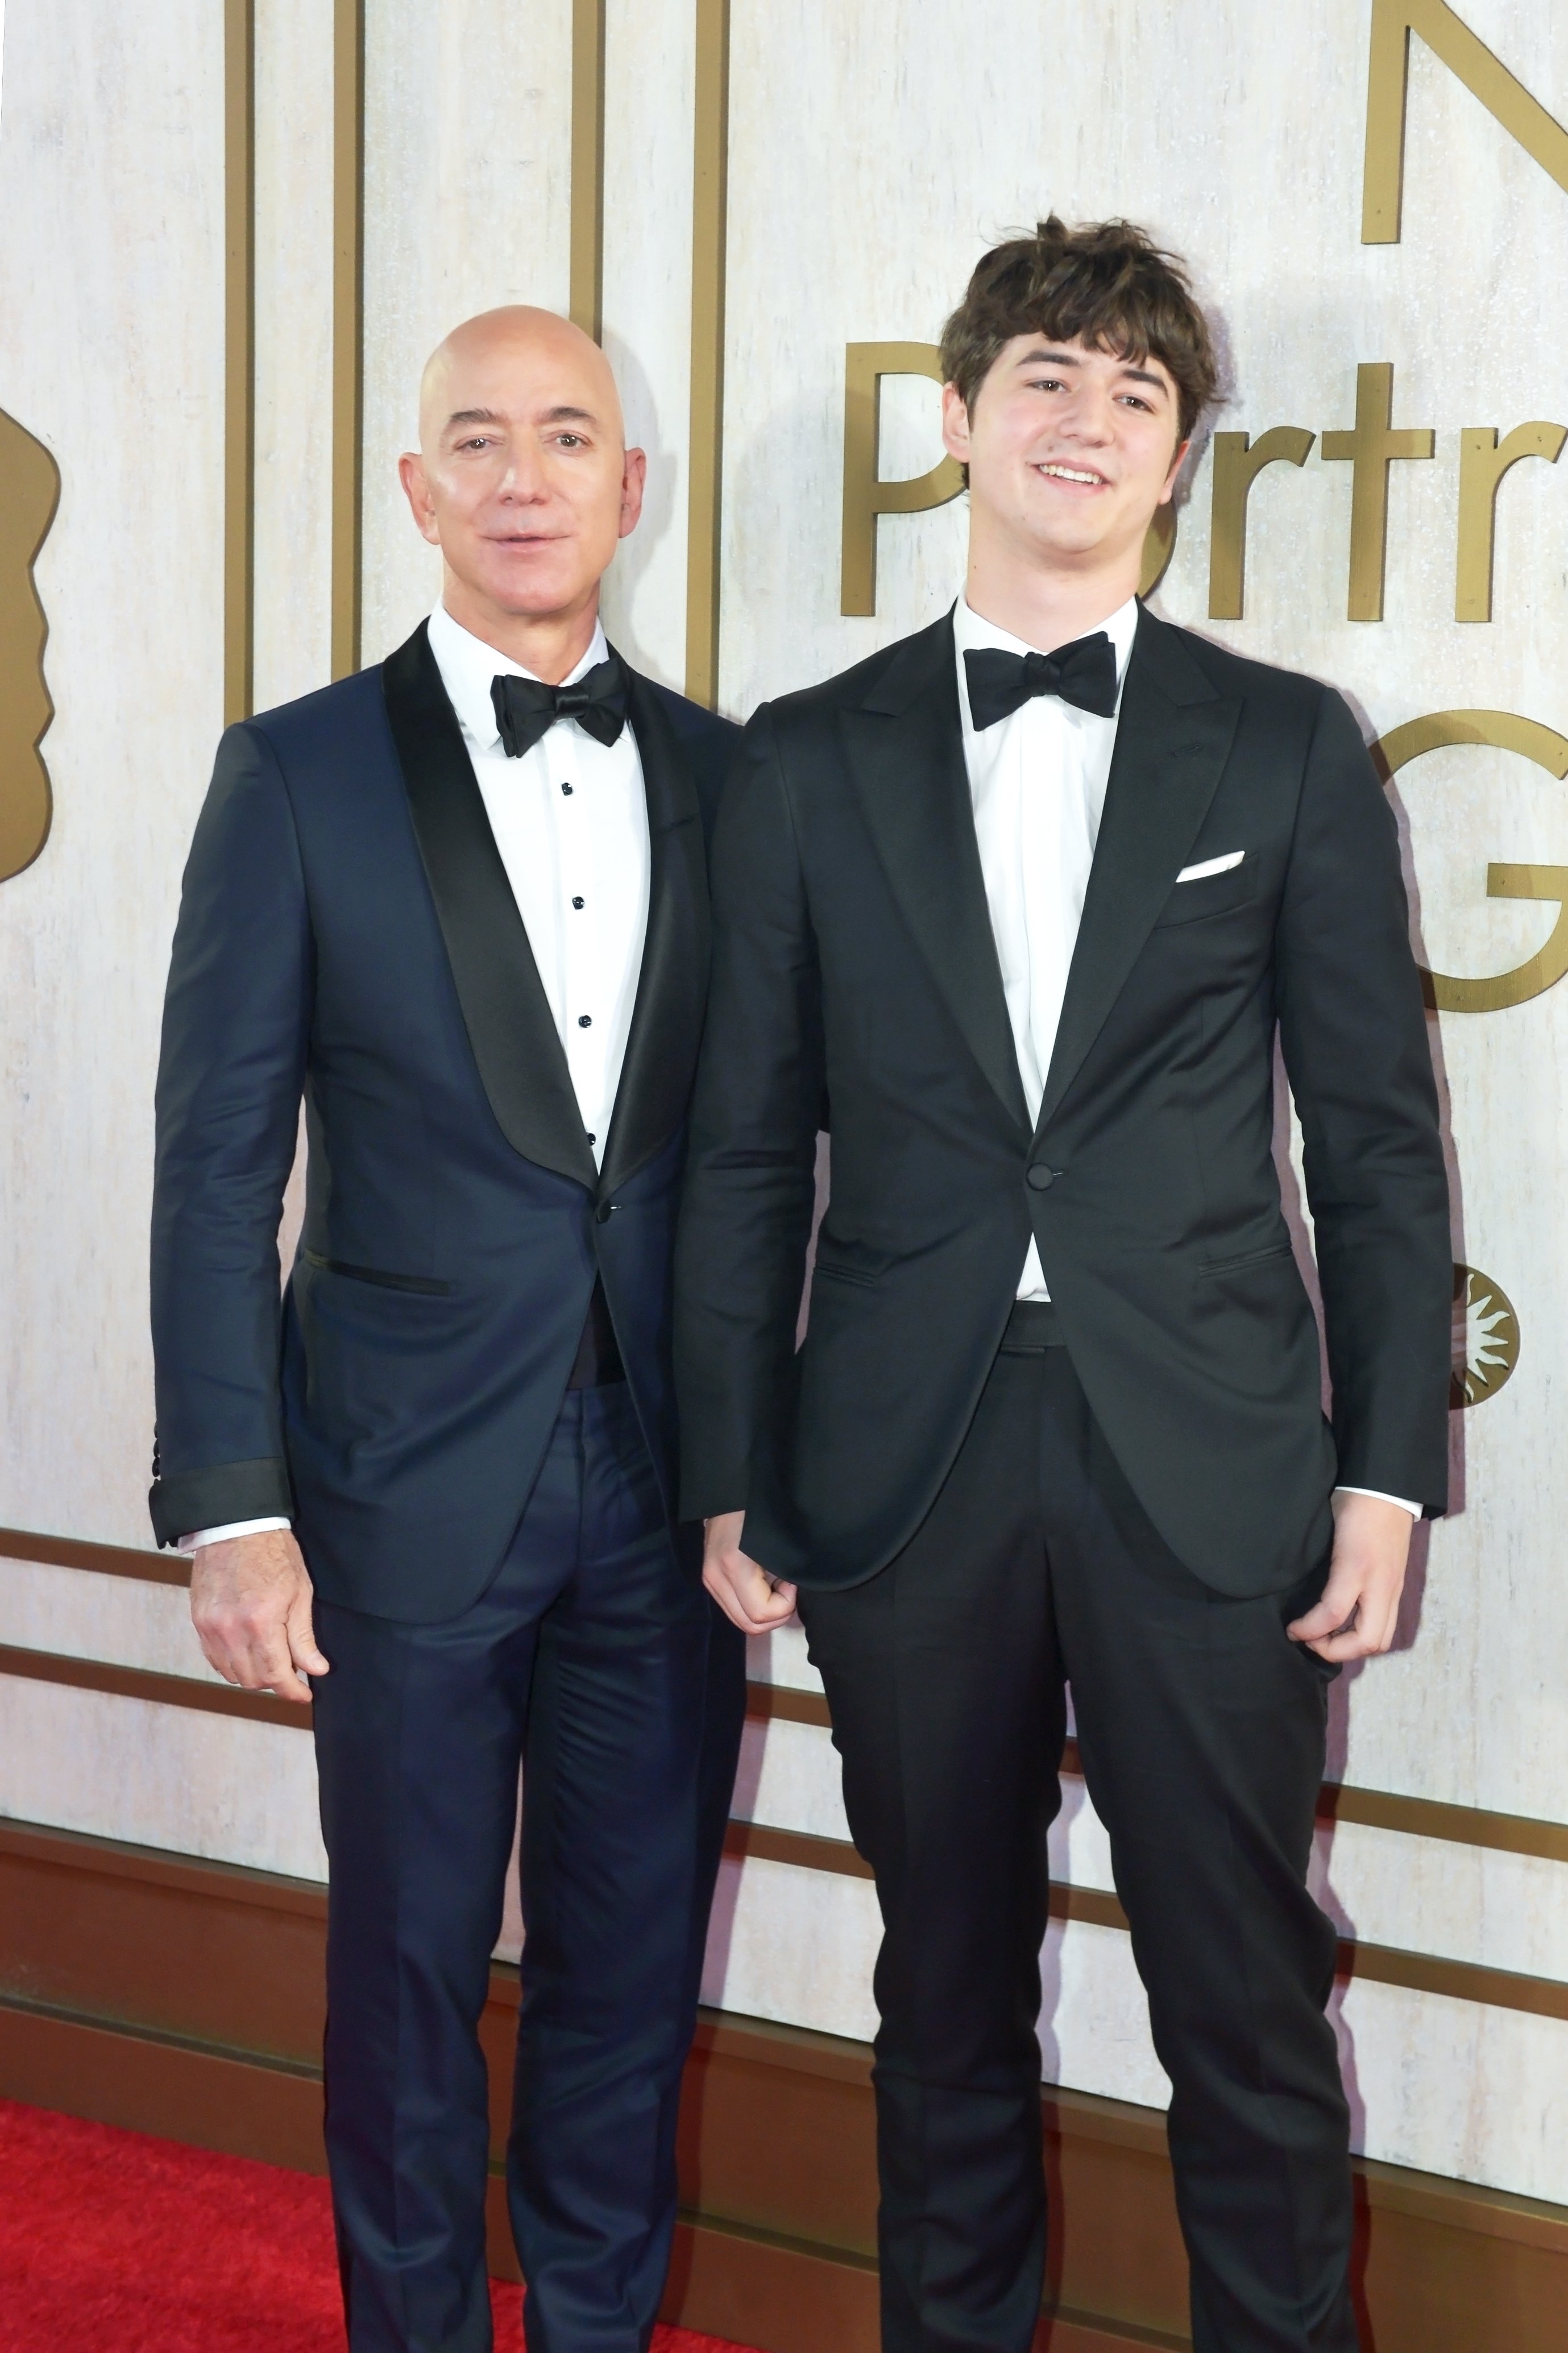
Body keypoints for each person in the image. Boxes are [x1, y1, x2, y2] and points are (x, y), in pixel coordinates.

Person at [675, 218, 1451, 2353]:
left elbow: (1377, 1148)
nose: (1085, 417)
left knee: (1245, 2000)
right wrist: (735, 1465)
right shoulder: (807, 757)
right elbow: (747, 1148)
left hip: (1205, 1458)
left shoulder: (1288, 744)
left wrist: (1383, 1482)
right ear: (958, 417)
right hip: (904, 1462)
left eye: (1135, 390)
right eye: (1045, 374)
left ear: (1182, 452)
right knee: (939, 1994)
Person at [149, 306, 746, 2353]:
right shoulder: (296, 771)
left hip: (665, 1488)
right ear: (417, 490)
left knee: (631, 1967)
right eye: (475, 440)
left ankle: (591, 2326)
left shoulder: (734, 781)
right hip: (398, 1486)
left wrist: (767, 1463)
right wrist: (233, 1504)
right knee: (403, 1972)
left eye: (565, 436)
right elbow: (217, 1161)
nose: (521, 476)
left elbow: (769, 1165)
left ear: (625, 489)